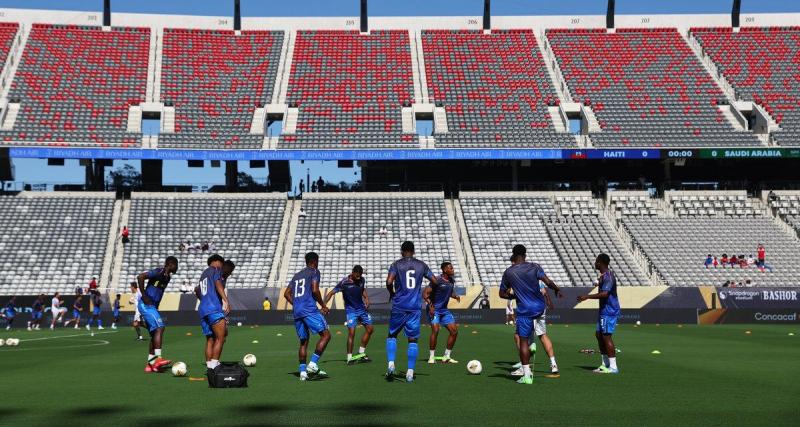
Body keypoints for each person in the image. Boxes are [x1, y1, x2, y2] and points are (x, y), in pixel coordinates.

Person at [499, 245, 562, 385]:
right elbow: (548, 282)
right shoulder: (535, 266)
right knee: (543, 334)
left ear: (513, 255)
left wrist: (515, 296)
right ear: (525, 255)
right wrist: (557, 289)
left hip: (525, 310)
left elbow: (502, 294)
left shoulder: (509, 272)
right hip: (540, 308)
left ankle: (526, 375)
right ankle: (551, 362)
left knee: (522, 340)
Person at [385, 241, 438, 383]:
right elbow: (435, 281)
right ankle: (410, 372)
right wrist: (429, 294)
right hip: (414, 307)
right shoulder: (422, 265)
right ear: (413, 251)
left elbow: (389, 282)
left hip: (399, 305)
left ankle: (391, 363)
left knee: (392, 335)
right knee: (413, 339)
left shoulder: (396, 264)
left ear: (402, 251)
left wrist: (392, 293)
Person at [284, 252, 331, 381]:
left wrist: (296, 304)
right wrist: (323, 305)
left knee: (304, 342)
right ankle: (313, 364)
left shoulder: (297, 275)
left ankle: (303, 373)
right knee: (326, 335)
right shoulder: (314, 271)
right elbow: (315, 290)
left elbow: (286, 294)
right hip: (309, 309)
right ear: (314, 261)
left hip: (297, 311)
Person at [577, 253, 620, 374]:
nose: (595, 263)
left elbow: (605, 294)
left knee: (606, 336)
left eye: (596, 261)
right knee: (599, 335)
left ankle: (613, 367)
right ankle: (605, 364)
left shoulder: (609, 276)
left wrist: (587, 296)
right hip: (604, 310)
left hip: (610, 310)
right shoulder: (603, 276)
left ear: (600, 262)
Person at [136, 256, 179, 373]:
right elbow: (140, 276)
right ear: (170, 264)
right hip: (146, 305)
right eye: (176, 265)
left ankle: (150, 365)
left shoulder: (167, 277)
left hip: (153, 307)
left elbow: (158, 291)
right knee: (160, 328)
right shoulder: (158, 272)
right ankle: (159, 358)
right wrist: (144, 295)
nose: (177, 267)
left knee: (154, 334)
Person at [323, 265, 373, 364]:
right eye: (357, 276)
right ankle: (349, 358)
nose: (358, 278)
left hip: (362, 309)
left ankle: (361, 353)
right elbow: (331, 293)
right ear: (353, 273)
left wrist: (366, 298)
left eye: (360, 276)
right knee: (352, 333)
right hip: (351, 311)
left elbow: (362, 289)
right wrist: (323, 305)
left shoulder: (362, 279)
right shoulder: (344, 282)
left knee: (370, 329)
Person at [196, 255, 235, 372]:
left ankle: (209, 366)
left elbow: (196, 290)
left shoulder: (204, 273)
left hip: (203, 309)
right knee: (220, 338)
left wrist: (204, 300)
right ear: (218, 262)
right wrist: (226, 300)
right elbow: (218, 283)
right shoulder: (215, 270)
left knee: (210, 339)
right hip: (213, 308)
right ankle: (214, 366)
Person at [511, 283, 559, 376]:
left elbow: (511, 293)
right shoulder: (537, 277)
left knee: (521, 337)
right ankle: (554, 364)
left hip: (529, 308)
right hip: (541, 307)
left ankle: (524, 367)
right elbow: (544, 291)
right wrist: (549, 301)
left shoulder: (521, 278)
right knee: (542, 335)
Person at [423, 262, 461, 364]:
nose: (453, 270)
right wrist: (431, 306)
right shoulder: (437, 280)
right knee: (435, 330)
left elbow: (449, 292)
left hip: (444, 310)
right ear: (444, 270)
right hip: (434, 309)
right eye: (451, 268)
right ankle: (431, 357)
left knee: (454, 331)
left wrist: (455, 296)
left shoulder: (451, 280)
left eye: (452, 268)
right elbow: (425, 294)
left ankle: (446, 356)